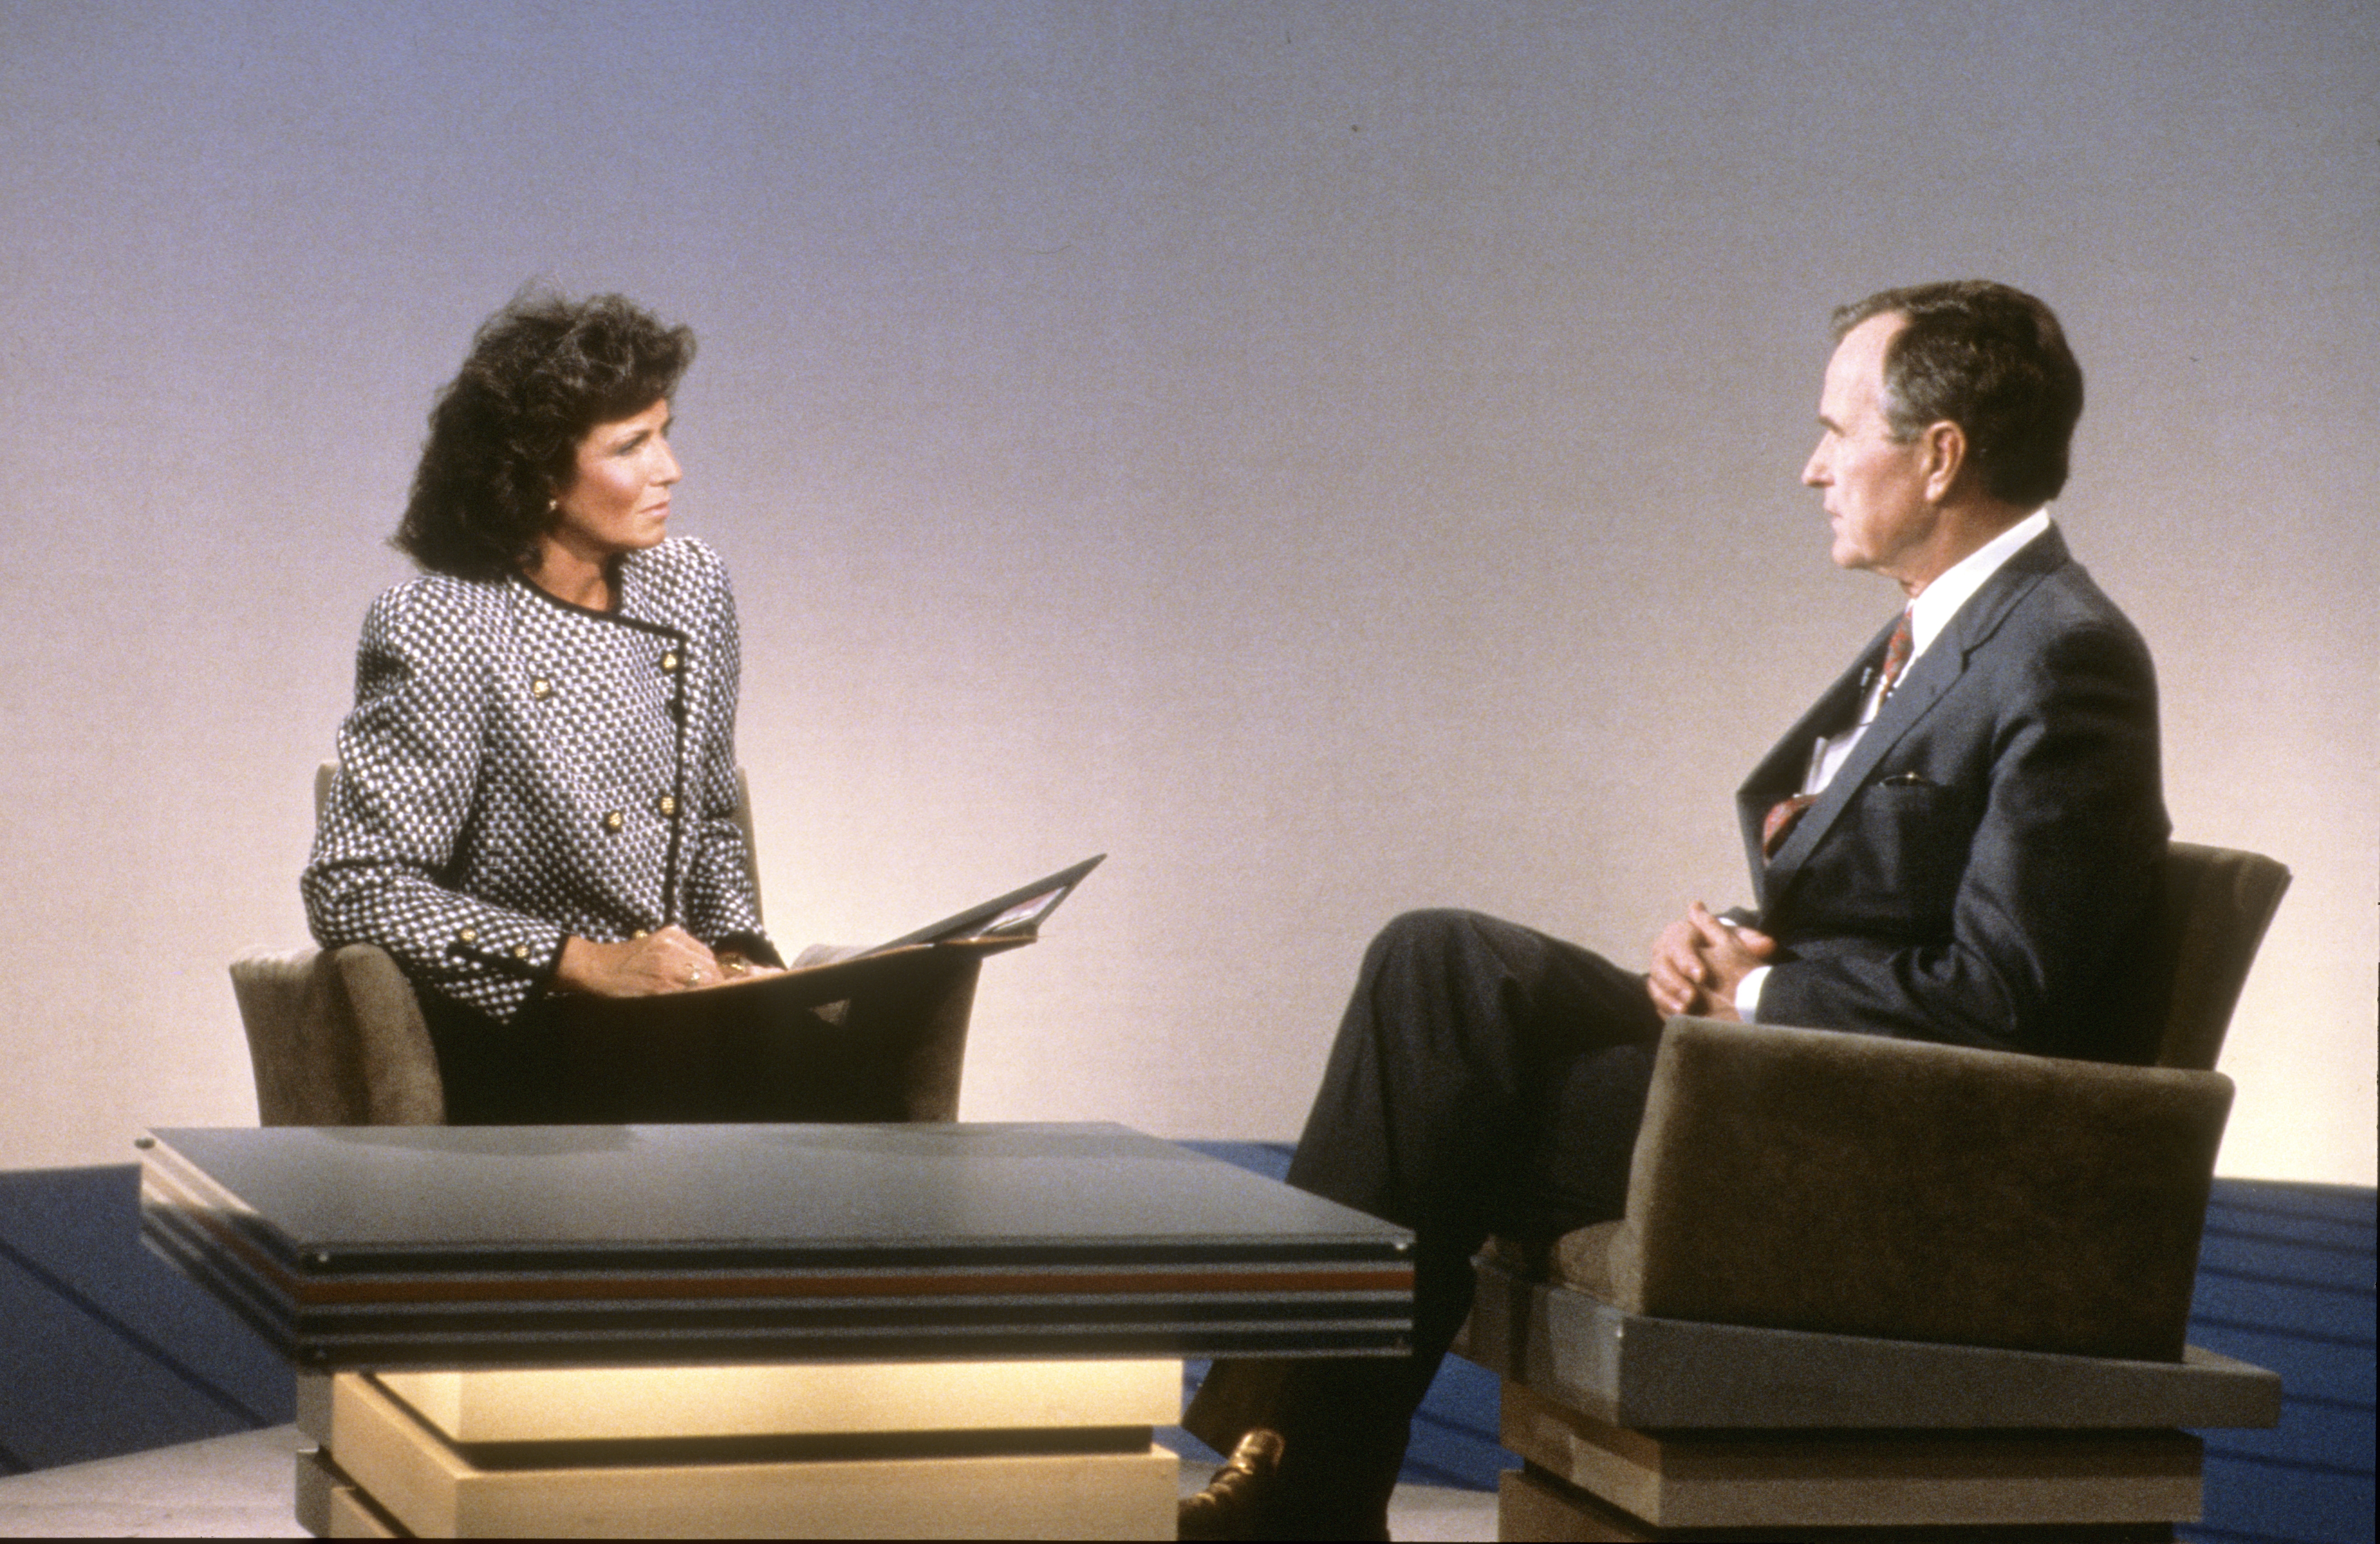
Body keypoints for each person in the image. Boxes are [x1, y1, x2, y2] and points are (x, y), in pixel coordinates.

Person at [1177, 280, 2170, 1539]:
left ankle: (1296, 1485)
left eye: (1833, 431)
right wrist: (1747, 951)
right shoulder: (1939, 634)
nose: (1808, 469)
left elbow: (2005, 999)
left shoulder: (2062, 650)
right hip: (1793, 1081)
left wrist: (1750, 992)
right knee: (1438, 964)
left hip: (1873, 1146)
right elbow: (1905, 915)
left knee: (1440, 1102)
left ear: (1937, 457)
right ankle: (1301, 1480)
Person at [302, 288, 786, 1122]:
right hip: (528, 1029)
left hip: (676, 1021)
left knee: (855, 1034)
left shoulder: (692, 583)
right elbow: (353, 884)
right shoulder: (443, 622)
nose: (670, 469)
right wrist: (587, 962)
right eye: (632, 445)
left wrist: (741, 956)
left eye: (665, 433)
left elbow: (709, 816)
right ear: (538, 475)